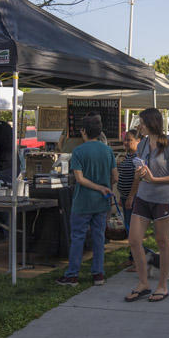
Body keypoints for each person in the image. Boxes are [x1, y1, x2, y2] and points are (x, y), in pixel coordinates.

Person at [125, 108, 169, 303]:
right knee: (134, 240)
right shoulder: (141, 144)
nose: (138, 126)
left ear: (151, 122)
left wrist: (154, 179)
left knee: (162, 241)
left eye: (141, 122)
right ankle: (143, 283)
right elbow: (140, 170)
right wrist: (133, 193)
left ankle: (162, 285)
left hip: (163, 199)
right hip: (143, 197)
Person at [56, 115, 116, 288]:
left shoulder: (79, 151)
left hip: (83, 201)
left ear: (83, 131)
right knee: (98, 238)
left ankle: (73, 275)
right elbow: (115, 176)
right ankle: (98, 274)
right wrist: (105, 188)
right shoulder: (108, 150)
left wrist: (98, 187)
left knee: (78, 238)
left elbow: (80, 179)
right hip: (102, 202)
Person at [117, 129, 140, 235]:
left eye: (129, 140)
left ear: (138, 141)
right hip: (125, 196)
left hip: (133, 198)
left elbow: (137, 179)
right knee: (128, 224)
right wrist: (122, 196)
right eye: (125, 140)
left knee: (132, 226)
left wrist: (130, 197)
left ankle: (135, 249)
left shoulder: (138, 158)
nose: (125, 142)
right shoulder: (126, 156)